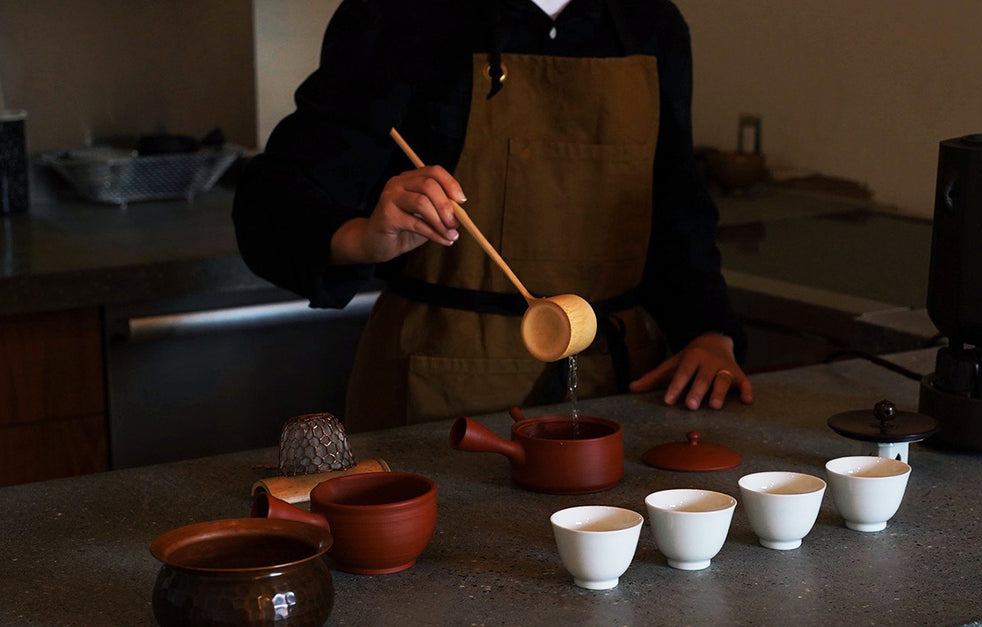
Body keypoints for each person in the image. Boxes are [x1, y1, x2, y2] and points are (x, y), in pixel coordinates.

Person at [233, 0, 753, 431]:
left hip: (614, 391)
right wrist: (364, 237)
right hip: (438, 392)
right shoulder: (394, 15)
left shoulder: (649, 20)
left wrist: (709, 333)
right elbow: (275, 200)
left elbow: (677, 212)